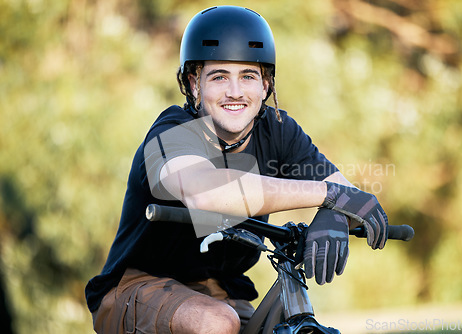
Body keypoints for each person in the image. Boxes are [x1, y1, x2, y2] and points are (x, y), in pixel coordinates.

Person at [85, 5, 389, 334]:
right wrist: (329, 196)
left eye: (248, 76)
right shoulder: (172, 132)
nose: (235, 91)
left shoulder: (279, 130)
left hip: (223, 292)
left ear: (265, 85)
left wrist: (333, 213)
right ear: (194, 83)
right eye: (219, 77)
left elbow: (347, 193)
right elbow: (206, 191)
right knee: (217, 322)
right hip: (137, 287)